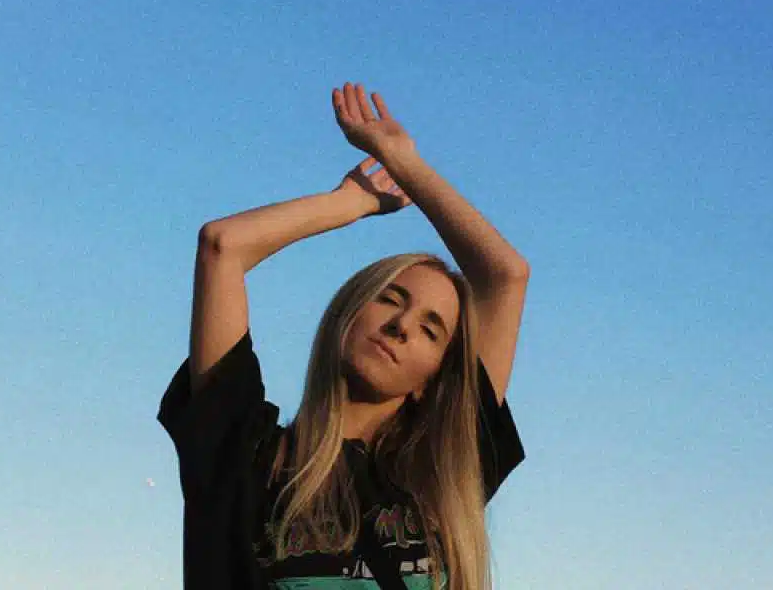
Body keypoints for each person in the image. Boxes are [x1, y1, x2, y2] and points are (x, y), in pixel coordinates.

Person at [158, 82, 531, 590]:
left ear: (431, 378)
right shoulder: (244, 453)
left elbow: (506, 276)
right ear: (345, 316)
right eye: (390, 299)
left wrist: (403, 161)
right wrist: (349, 203)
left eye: (430, 329)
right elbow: (223, 245)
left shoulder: (445, 475)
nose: (402, 326)